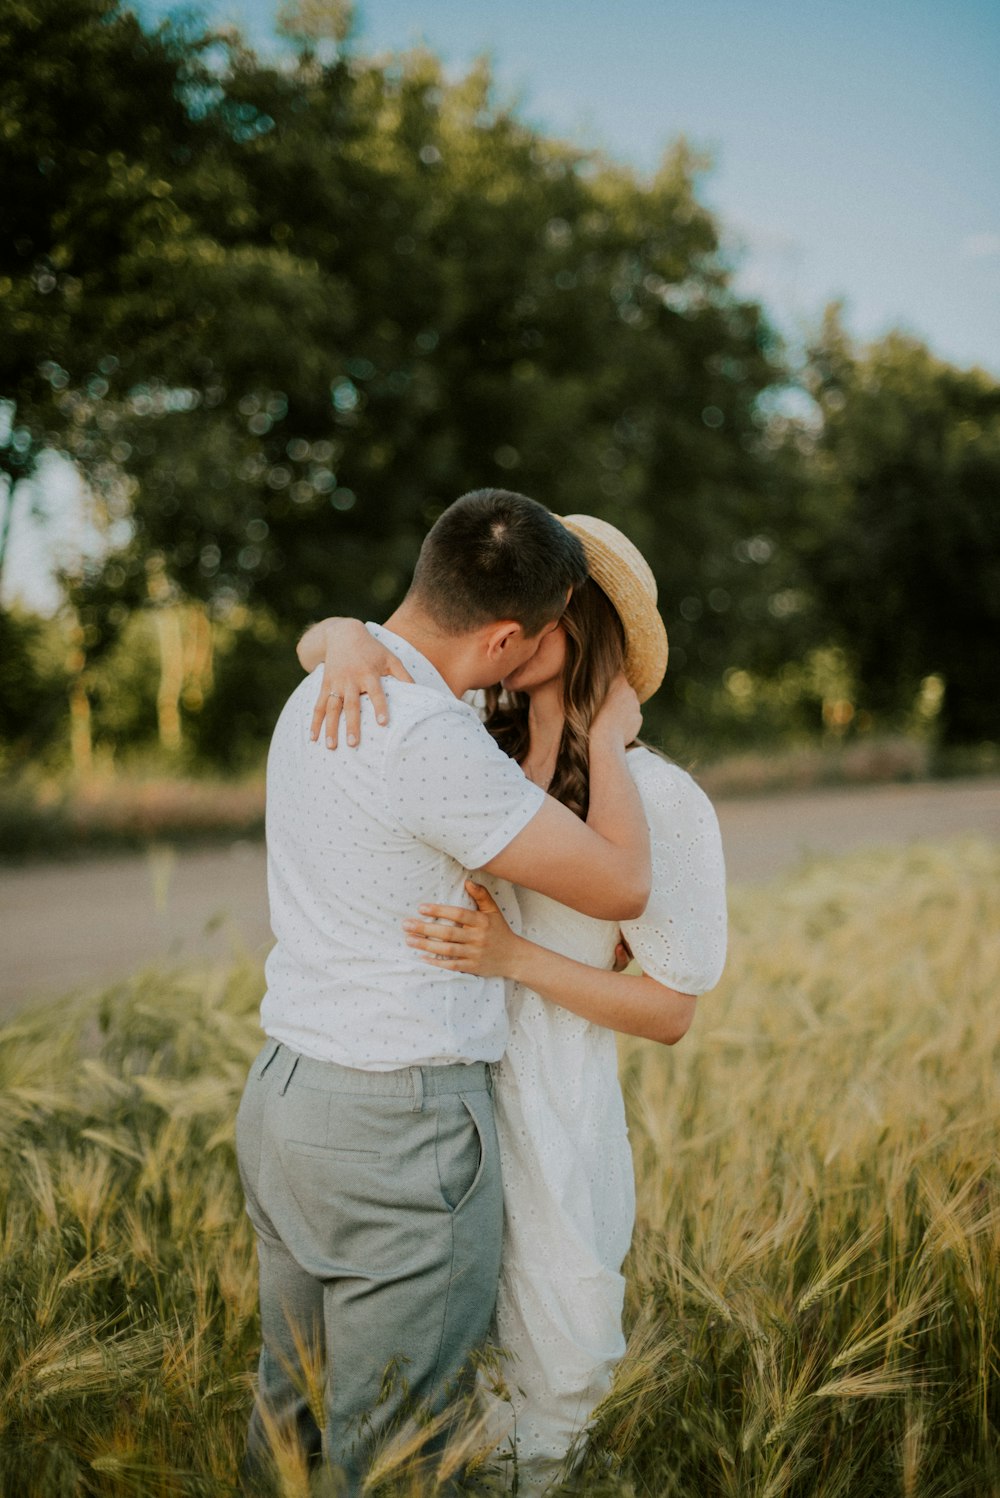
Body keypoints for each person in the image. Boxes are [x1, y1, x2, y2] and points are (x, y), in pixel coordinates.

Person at [235, 490, 654, 1495]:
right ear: (508, 635)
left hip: (287, 1099)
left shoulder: (331, 688)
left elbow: (336, 644)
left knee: (287, 1417)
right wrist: (612, 733)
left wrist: (337, 635)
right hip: (397, 1129)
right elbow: (622, 885)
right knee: (395, 1453)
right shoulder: (431, 740)